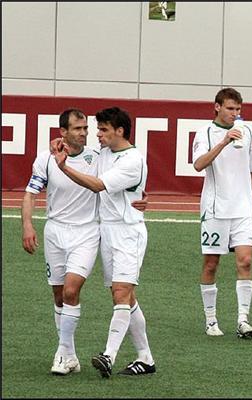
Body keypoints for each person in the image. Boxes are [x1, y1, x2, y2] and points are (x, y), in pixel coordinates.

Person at [54, 107, 156, 376]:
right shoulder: (106, 154)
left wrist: (63, 168)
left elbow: (98, 185)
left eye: (102, 130)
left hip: (128, 233)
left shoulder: (132, 160)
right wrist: (60, 145)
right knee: (124, 296)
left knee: (121, 292)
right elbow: (81, 156)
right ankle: (145, 358)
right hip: (107, 232)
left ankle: (108, 355)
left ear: (119, 131)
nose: (96, 134)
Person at [21, 109, 99, 375]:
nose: (84, 133)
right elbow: (31, 193)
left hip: (86, 233)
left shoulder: (98, 158)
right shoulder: (46, 159)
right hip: (54, 232)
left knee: (70, 291)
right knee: (58, 295)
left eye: (86, 128)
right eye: (78, 129)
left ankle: (61, 353)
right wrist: (28, 225)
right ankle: (70, 354)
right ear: (63, 133)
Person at [192, 88, 252, 338]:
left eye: (238, 109)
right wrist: (224, 142)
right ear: (217, 107)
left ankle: (243, 320)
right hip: (215, 209)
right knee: (211, 264)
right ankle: (211, 320)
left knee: (245, 260)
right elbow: (199, 164)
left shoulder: (248, 131)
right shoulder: (205, 133)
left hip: (242, 208)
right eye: (230, 108)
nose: (235, 114)